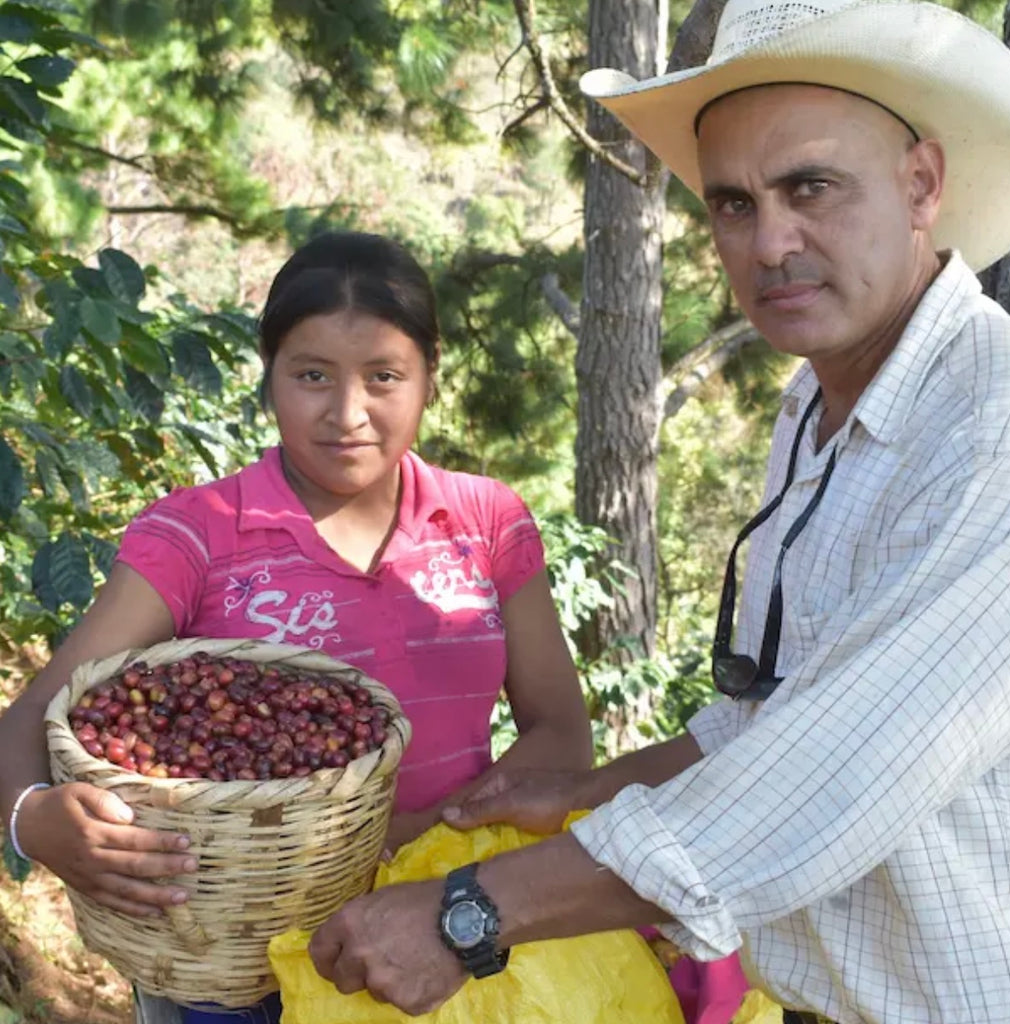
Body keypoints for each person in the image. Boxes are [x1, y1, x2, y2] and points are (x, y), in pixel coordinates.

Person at [302, 2, 1010, 1023]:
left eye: (810, 186)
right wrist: (593, 791)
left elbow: (831, 770)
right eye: (732, 204)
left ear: (921, 184)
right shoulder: (817, 410)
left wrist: (469, 913)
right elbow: (770, 713)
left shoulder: (997, 425)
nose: (769, 241)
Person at [0, 231, 592, 1024]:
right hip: (232, 962)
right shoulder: (201, 532)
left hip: (434, 937)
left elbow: (561, 733)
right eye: (311, 375)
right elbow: (35, 715)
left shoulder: (486, 521)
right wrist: (33, 820)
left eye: (384, 377)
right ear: (269, 374)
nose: (347, 414)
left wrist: (414, 844)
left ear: (430, 379)